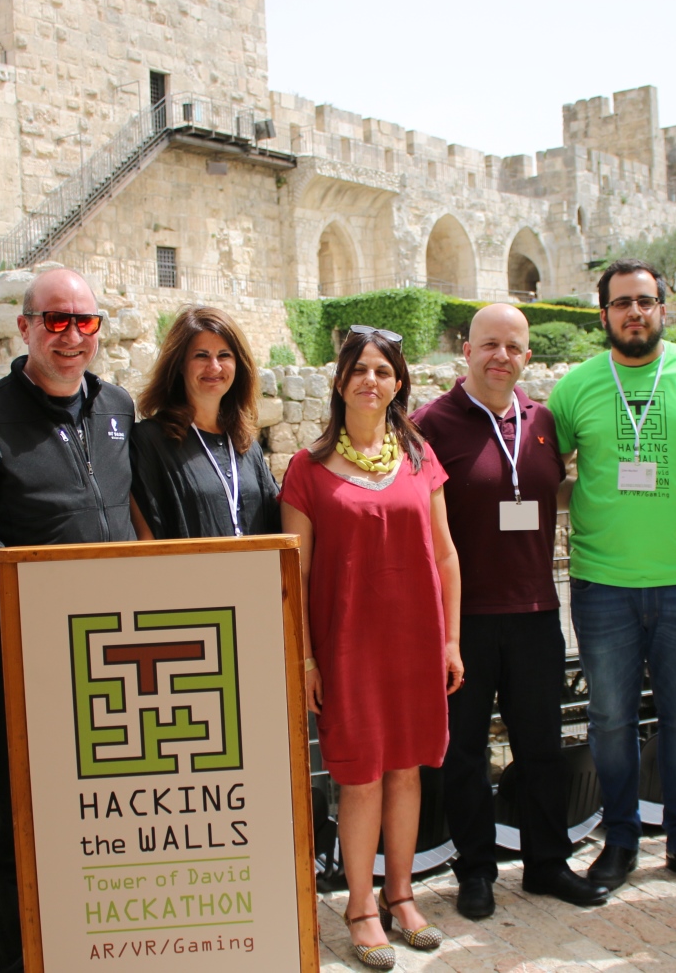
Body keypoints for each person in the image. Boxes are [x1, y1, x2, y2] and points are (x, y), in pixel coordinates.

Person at [0, 268, 144, 973]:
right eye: (56, 320)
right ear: (24, 326)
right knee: (28, 828)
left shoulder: (117, 406)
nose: (71, 335)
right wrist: (41, 623)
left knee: (113, 819)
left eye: (85, 322)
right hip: (28, 665)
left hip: (117, 662)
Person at [546, 259, 676, 893]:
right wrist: (590, 499)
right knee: (610, 719)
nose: (634, 312)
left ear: (663, 307)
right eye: (621, 303)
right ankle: (621, 840)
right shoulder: (575, 388)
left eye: (645, 300)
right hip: (602, 584)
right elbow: (547, 475)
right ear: (603, 314)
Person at [413, 304, 607, 917]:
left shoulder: (543, 421)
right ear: (466, 350)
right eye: (490, 344)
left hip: (536, 612)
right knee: (465, 753)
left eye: (514, 347)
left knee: (542, 747)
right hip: (463, 620)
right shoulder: (430, 424)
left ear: (527, 356)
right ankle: (475, 871)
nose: (502, 356)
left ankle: (548, 863)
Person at [280, 327, 463, 971]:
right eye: (359, 369)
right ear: (339, 381)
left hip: (415, 644)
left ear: (398, 383)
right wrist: (306, 659)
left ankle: (401, 894)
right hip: (348, 649)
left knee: (407, 769)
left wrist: (451, 639)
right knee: (359, 777)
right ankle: (359, 907)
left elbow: (445, 554)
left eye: (383, 370)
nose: (370, 380)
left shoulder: (420, 457)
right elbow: (295, 574)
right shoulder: (307, 469)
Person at [130, 305, 280, 538]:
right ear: (180, 365)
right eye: (201, 355)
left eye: (224, 355)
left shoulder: (246, 445)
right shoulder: (150, 440)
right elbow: (145, 537)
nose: (214, 366)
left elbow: (278, 521)